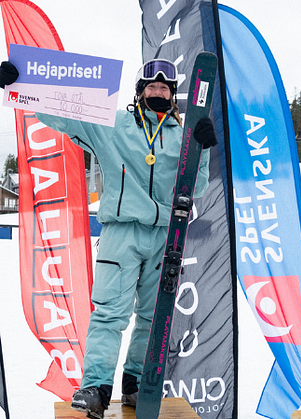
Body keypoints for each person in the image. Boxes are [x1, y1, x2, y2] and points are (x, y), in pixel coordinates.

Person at [1, 58, 217, 418]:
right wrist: (21, 84)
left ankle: (136, 384)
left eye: (164, 88)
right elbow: (63, 113)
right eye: (151, 87)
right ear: (139, 91)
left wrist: (203, 147)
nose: (158, 92)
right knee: (109, 315)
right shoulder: (114, 125)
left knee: (153, 316)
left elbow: (195, 185)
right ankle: (97, 388)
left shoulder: (183, 135)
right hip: (121, 233)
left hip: (165, 235)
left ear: (174, 94)